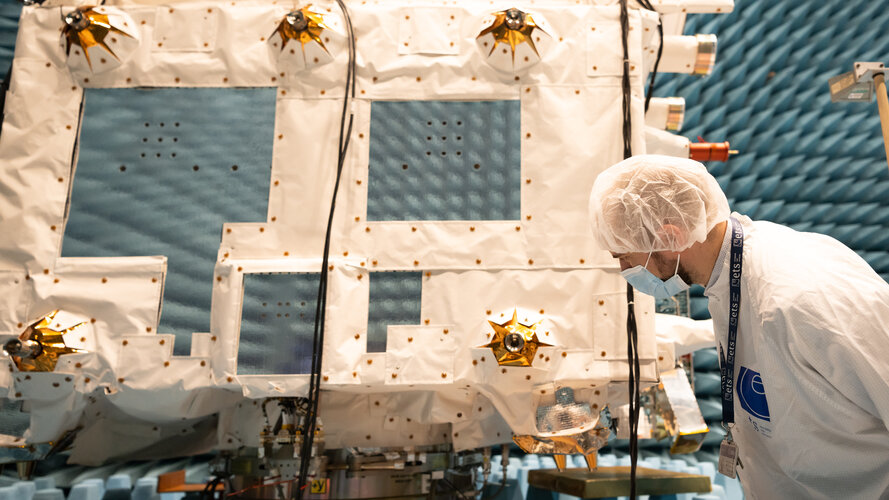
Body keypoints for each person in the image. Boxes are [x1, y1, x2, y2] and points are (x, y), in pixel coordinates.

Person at [588, 154, 889, 499]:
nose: (624, 269)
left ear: (670, 237)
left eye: (624, 256)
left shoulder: (800, 299)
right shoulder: (728, 277)